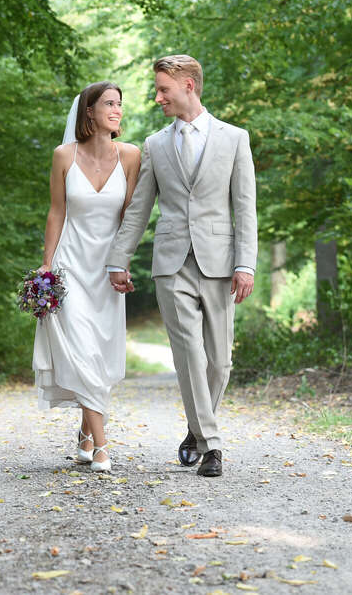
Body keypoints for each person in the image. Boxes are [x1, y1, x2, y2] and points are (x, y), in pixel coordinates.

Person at [106, 55, 257, 478]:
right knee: (189, 354)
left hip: (220, 263)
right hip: (171, 264)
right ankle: (212, 446)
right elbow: (139, 209)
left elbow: (245, 207)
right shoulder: (156, 144)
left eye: (163, 90)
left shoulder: (234, 138)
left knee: (220, 362)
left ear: (188, 85)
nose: (157, 98)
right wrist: (119, 259)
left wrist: (246, 263)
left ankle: (195, 428)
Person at [33, 81, 141, 473]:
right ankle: (103, 447)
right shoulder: (64, 155)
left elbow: (131, 216)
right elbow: (56, 213)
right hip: (70, 267)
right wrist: (47, 266)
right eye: (108, 103)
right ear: (89, 111)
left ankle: (84, 432)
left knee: (101, 354)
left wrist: (124, 263)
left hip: (107, 270)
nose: (116, 110)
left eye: (119, 104)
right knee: (81, 348)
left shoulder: (130, 156)